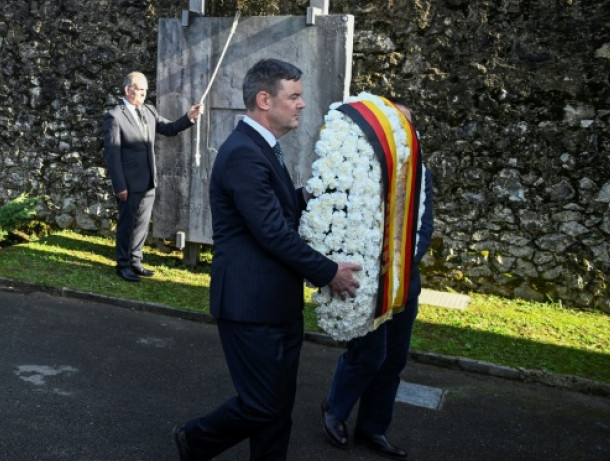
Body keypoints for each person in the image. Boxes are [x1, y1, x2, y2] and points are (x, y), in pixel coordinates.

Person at [173, 59, 362, 461]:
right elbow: (272, 232)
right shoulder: (244, 152)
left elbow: (274, 209)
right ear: (264, 100)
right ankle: (194, 440)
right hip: (250, 305)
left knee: (278, 408)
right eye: (293, 96)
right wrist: (329, 272)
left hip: (277, 303)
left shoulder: (262, 147)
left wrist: (310, 196)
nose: (302, 104)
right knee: (262, 404)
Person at [321, 104, 434, 460]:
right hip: (366, 282)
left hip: (404, 283)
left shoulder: (420, 172)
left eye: (405, 126)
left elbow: (424, 226)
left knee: (394, 359)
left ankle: (372, 428)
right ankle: (335, 410)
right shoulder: (362, 167)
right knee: (368, 354)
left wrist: (401, 266)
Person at [102, 71, 203, 282]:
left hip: (148, 181)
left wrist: (189, 117)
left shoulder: (148, 110)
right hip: (128, 184)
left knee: (141, 224)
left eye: (146, 91)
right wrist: (120, 186)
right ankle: (123, 265)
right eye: (140, 90)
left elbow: (169, 128)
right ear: (128, 90)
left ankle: (135, 261)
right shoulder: (115, 116)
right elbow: (113, 155)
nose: (144, 94)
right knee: (127, 225)